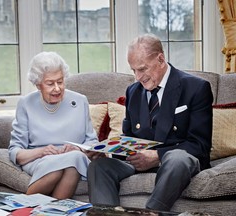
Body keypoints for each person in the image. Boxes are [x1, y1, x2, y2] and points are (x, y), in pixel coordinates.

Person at [87, 34, 213, 211]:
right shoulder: (133, 91)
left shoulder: (196, 88)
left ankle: (150, 214)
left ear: (160, 59)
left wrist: (158, 157)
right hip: (138, 163)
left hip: (174, 164)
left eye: (142, 69)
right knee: (99, 166)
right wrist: (107, 152)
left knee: (177, 158)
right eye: (133, 71)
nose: (138, 77)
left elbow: (200, 145)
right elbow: (129, 138)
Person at [8, 51, 102, 199]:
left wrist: (78, 148)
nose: (57, 88)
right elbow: (15, 151)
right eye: (50, 83)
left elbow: (92, 142)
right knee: (63, 167)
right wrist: (42, 151)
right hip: (39, 159)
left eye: (60, 81)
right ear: (38, 85)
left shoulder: (80, 101)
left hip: (75, 157)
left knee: (73, 160)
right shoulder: (26, 104)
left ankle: (22, 209)